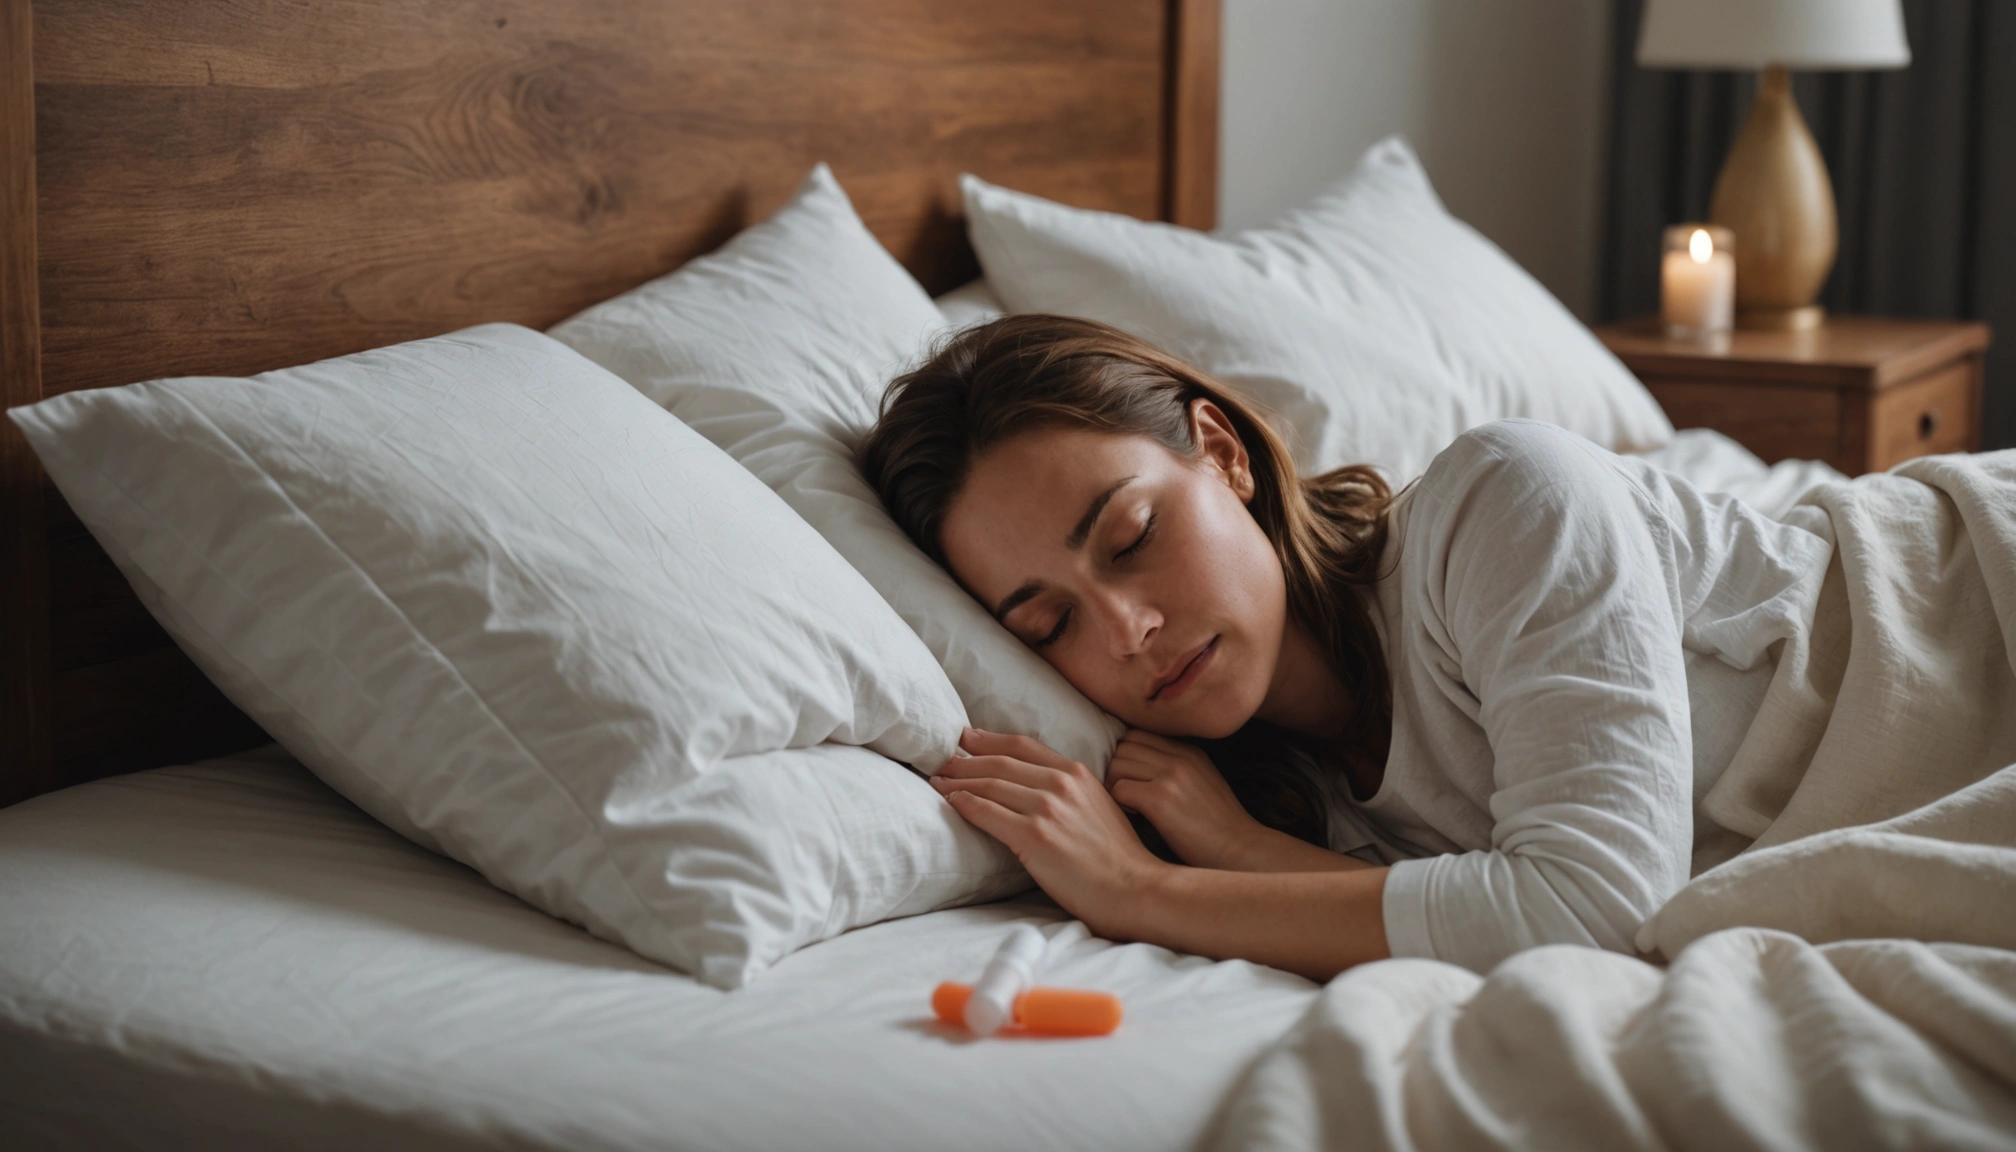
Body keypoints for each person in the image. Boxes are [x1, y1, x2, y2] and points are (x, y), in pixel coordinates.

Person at [858, 314, 2006, 981]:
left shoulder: (1502, 504)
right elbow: (1500, 905)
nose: (1124, 633)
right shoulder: (1274, 795)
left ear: (1223, 454)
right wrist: (1238, 848)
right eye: (1045, 625)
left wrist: (1149, 888)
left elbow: (1587, 910)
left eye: (1132, 536)